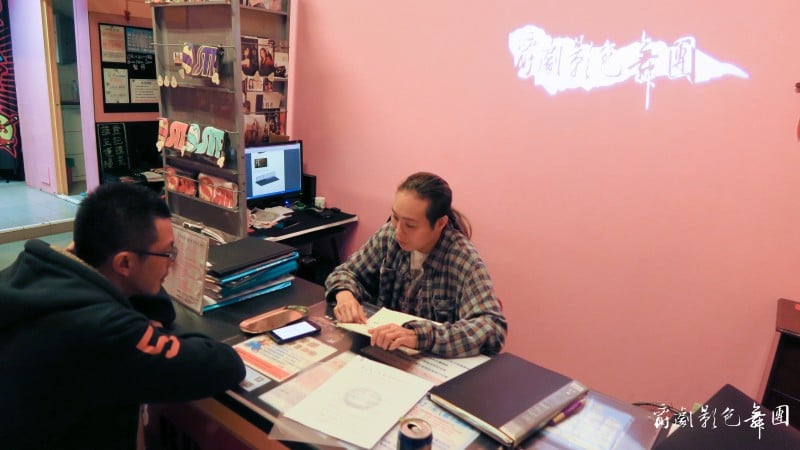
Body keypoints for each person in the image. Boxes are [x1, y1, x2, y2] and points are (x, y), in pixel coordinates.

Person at [0, 183, 245, 450]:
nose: (172, 263)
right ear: (124, 263)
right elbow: (224, 365)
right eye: (168, 253)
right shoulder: (100, 328)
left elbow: (161, 311)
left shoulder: (32, 271)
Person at [325, 172, 507, 357]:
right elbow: (345, 272)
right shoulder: (389, 236)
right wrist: (345, 295)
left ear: (440, 223)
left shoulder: (462, 258)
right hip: (382, 349)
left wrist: (420, 336)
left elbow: (492, 327)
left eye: (410, 225)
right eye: (395, 217)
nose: (398, 231)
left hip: (432, 362)